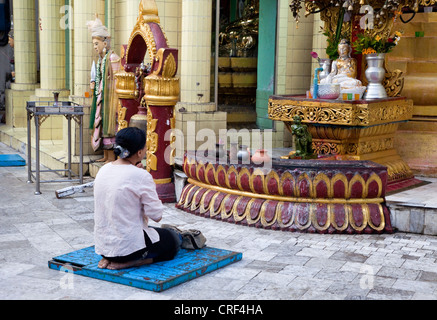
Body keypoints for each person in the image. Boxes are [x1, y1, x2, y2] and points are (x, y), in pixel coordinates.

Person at [93, 127, 181, 270]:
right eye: (145, 147)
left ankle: (110, 258)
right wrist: (144, 179)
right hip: (127, 251)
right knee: (172, 239)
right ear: (139, 152)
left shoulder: (104, 169)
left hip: (104, 247)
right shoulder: (141, 176)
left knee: (148, 231)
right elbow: (157, 215)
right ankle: (135, 261)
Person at [87, 16, 120, 163]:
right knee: (101, 123)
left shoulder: (112, 58)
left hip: (110, 99)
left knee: (110, 125)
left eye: (97, 43)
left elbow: (116, 80)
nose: (95, 47)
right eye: (93, 44)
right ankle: (106, 155)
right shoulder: (101, 59)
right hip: (102, 97)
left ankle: (111, 156)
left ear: (105, 43)